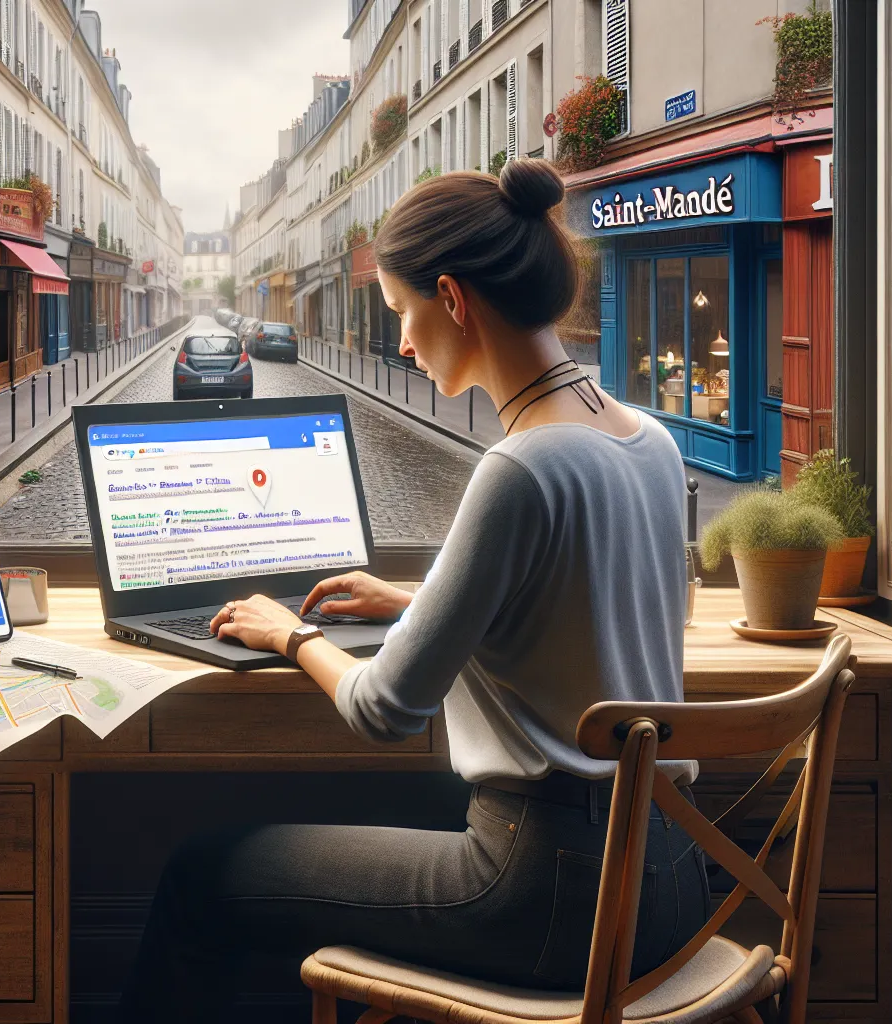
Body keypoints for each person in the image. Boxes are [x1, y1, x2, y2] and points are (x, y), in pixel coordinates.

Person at [117, 159, 707, 1021]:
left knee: (201, 873)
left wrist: (290, 634)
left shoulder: (520, 466)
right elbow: (606, 595)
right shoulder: (649, 441)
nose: (400, 342)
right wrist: (416, 601)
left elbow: (385, 709)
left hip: (549, 901)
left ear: (454, 299)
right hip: (675, 877)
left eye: (402, 313)